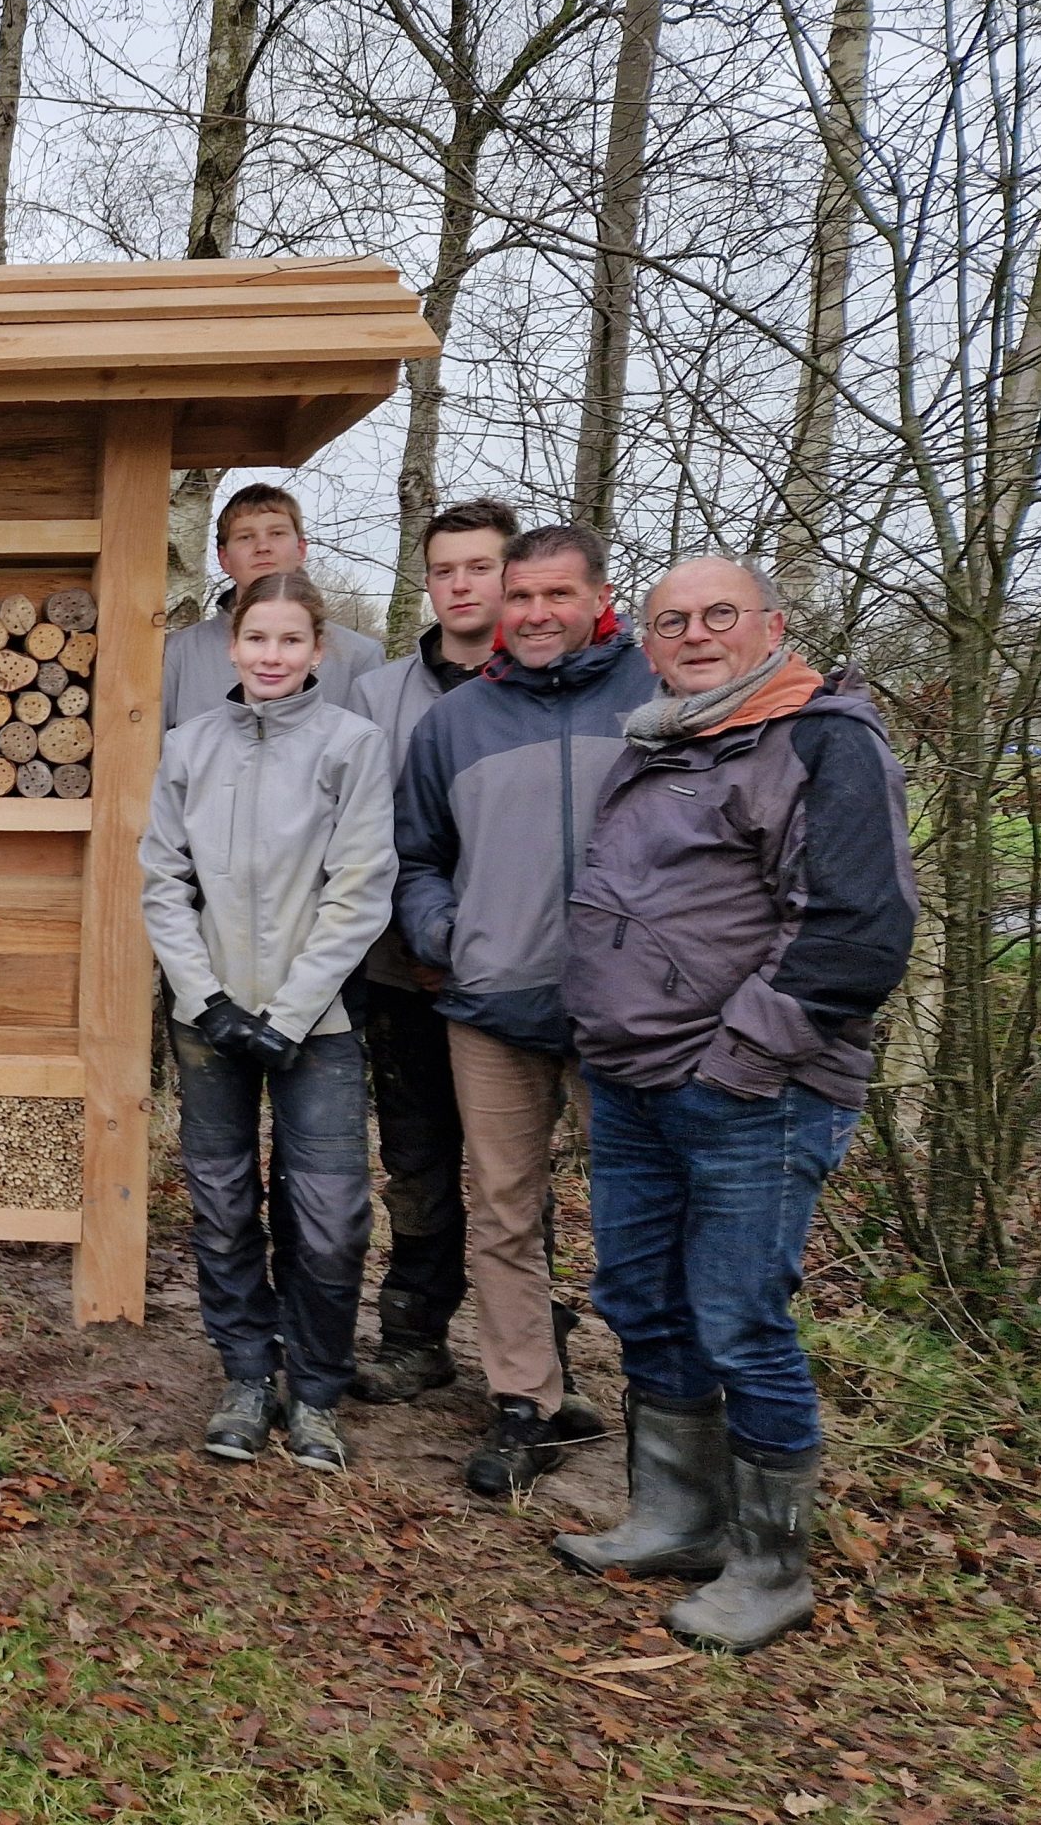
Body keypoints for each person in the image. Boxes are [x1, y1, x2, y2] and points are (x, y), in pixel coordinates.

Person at [555, 557, 914, 1653]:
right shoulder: (666, 738)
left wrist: (736, 1064)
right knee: (643, 1300)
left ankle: (769, 1567)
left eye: (720, 614)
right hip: (633, 1083)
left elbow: (854, 934)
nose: (696, 634)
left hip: (752, 1091)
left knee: (739, 1320)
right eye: (671, 621)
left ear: (772, 625)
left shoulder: (823, 742)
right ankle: (678, 1517)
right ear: (646, 642)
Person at [394, 521, 656, 1496]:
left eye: (558, 594)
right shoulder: (456, 721)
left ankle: (668, 1412)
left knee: (644, 1217)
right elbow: (415, 853)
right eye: (522, 596)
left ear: (599, 597)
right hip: (494, 1003)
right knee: (503, 1212)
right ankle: (525, 1402)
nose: (537, 613)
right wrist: (445, 935)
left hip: (635, 1011)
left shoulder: (658, 697)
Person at [140, 571, 395, 1473]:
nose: (272, 656)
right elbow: (163, 882)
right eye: (257, 639)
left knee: (327, 1213)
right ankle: (247, 1374)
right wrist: (206, 998)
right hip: (209, 1019)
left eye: (290, 640)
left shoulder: (352, 746)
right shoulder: (189, 747)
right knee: (221, 1202)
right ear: (233, 646)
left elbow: (360, 889)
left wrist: (289, 1014)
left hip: (315, 1024)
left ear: (318, 649)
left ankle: (316, 1390)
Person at [343, 499, 512, 1404]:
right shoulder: (381, 697)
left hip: (521, 977)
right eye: (444, 570)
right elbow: (360, 833)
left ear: (509, 575)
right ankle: (415, 1332)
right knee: (416, 1157)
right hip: (402, 971)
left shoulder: (545, 686)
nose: (460, 585)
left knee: (513, 1171)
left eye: (479, 567)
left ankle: (532, 1354)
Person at [162, 484, 384, 730]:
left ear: (300, 549)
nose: (263, 547)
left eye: (277, 533)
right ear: (224, 559)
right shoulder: (178, 653)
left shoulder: (358, 656)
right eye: (246, 537)